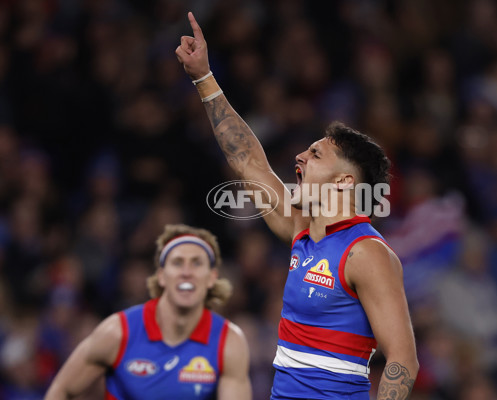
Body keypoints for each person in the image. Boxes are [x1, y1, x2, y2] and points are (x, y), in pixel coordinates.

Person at [176, 12, 419, 400]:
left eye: (316, 154)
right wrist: (204, 77)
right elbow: (248, 161)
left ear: (344, 182)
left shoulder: (366, 252)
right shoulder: (301, 227)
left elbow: (402, 359)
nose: (300, 158)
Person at [45, 224, 251, 400]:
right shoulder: (118, 332)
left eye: (197, 263)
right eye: (177, 263)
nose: (187, 272)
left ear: (211, 277)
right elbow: (61, 390)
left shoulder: (228, 342)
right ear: (161, 276)